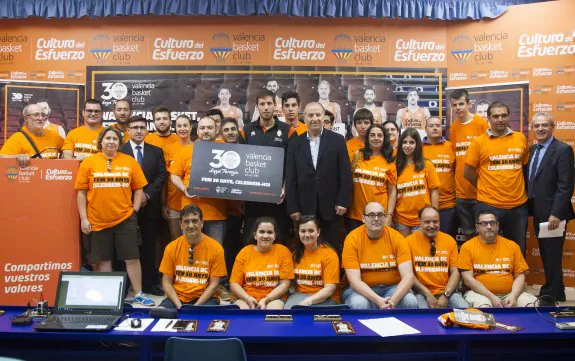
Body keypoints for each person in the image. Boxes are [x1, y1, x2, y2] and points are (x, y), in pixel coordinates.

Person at [74, 126, 154, 306]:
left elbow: (139, 188)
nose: (111, 142)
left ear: (120, 142)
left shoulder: (130, 161)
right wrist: (84, 218)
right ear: (101, 141)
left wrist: (134, 209)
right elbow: (81, 193)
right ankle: (107, 296)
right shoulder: (89, 162)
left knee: (132, 257)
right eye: (108, 138)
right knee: (104, 259)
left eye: (115, 139)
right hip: (97, 220)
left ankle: (139, 293)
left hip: (125, 219)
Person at [286, 102, 353, 252]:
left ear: (324, 117)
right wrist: (293, 207)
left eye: (318, 114)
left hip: (332, 206)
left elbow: (345, 173)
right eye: (310, 115)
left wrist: (343, 201)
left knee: (332, 247)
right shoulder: (295, 142)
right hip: (304, 206)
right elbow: (291, 177)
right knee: (305, 248)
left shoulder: (338, 140)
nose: (315, 118)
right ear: (304, 118)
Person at [464, 102, 529, 253]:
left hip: (518, 206)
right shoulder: (478, 142)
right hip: (488, 205)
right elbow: (467, 172)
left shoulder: (520, 138)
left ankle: (517, 278)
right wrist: (484, 185)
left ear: (509, 117)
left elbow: (524, 167)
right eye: (496, 116)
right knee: (485, 249)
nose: (500, 119)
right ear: (488, 118)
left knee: (518, 250)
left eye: (504, 115)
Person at [528, 112, 575, 305]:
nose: (540, 129)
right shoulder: (532, 150)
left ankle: (551, 293)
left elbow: (566, 185)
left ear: (552, 127)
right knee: (546, 251)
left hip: (553, 214)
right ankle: (558, 290)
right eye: (537, 126)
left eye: (544, 125)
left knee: (552, 253)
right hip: (537, 210)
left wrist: (556, 212)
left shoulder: (563, 150)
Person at [240, 90, 295, 243]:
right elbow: (240, 166)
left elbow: (292, 165)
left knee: (280, 241)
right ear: (257, 107)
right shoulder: (245, 131)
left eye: (269, 103)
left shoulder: (288, 131)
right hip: (252, 201)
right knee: (251, 241)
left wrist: (285, 187)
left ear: (275, 106)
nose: (266, 107)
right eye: (262, 104)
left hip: (279, 200)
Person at [120, 115, 167, 296]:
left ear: (147, 130)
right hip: (125, 207)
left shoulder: (156, 151)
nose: (139, 131)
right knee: (125, 247)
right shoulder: (120, 151)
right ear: (128, 130)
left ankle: (148, 284)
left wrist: (147, 195)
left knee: (148, 246)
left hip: (150, 207)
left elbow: (161, 176)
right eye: (135, 127)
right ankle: (124, 286)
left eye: (142, 127)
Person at [342, 202, 417, 309]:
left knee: (409, 301)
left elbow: (408, 277)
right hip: (363, 289)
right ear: (363, 218)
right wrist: (379, 301)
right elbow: (354, 281)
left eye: (380, 215)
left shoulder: (397, 237)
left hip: (392, 288)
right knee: (359, 304)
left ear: (385, 218)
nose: (376, 218)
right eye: (371, 215)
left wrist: (393, 301)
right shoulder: (352, 238)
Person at [458, 211, 537, 308]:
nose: (489, 226)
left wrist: (514, 296)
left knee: (531, 305)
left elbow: (520, 276)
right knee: (484, 306)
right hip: (480, 294)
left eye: (492, 223)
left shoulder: (512, 246)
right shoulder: (467, 247)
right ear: (477, 227)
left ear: (498, 226)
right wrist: (491, 297)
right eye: (484, 223)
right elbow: (468, 279)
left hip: (510, 293)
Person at [170, 116, 227, 244]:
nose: (206, 131)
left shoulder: (226, 150)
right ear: (197, 131)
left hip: (216, 214)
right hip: (191, 213)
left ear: (217, 130)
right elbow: (174, 175)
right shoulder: (186, 151)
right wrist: (184, 189)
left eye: (209, 128)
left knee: (215, 254)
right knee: (190, 254)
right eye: (202, 128)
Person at [159, 204, 227, 308]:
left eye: (195, 221)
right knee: (160, 315)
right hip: (177, 298)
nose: (190, 226)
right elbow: (166, 282)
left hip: (204, 299)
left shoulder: (216, 248)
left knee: (208, 320)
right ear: (180, 224)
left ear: (202, 223)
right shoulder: (171, 247)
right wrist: (179, 306)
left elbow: (214, 284)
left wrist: (195, 307)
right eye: (186, 221)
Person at [406, 206, 469, 308]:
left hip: (447, 292)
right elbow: (409, 274)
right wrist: (427, 294)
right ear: (419, 222)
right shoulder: (408, 242)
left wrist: (445, 295)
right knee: (423, 314)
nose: (432, 225)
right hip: (421, 293)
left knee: (464, 308)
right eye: (427, 222)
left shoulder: (449, 240)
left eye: (435, 222)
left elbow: (455, 272)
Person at [449, 89, 489, 238]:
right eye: (454, 105)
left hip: (481, 191)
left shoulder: (481, 123)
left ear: (468, 104)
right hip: (461, 193)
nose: (458, 107)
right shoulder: (453, 127)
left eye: (461, 103)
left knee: (485, 234)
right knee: (468, 235)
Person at [230, 217, 294, 309]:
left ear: (275, 236)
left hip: (273, 297)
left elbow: (285, 284)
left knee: (272, 313)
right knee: (244, 315)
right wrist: (247, 298)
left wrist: (266, 299)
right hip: (246, 296)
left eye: (270, 232)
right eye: (262, 232)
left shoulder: (283, 251)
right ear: (255, 235)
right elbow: (234, 284)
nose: (265, 236)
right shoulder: (244, 252)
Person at [346, 124, 396, 232]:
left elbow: (392, 191)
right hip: (355, 215)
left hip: (378, 215)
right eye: (372, 135)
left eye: (379, 135)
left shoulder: (390, 161)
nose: (376, 138)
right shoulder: (357, 155)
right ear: (367, 138)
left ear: (384, 138)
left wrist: (389, 215)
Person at [284, 216, 339, 309]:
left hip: (325, 297)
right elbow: (285, 282)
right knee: (289, 311)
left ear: (318, 232)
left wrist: (307, 302)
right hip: (300, 295)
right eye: (303, 231)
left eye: (311, 231)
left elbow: (330, 289)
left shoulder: (330, 255)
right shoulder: (294, 254)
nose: (307, 234)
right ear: (298, 233)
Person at [394, 128, 440, 237]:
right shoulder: (395, 166)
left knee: (421, 251)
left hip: (423, 220)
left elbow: (434, 192)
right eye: (404, 142)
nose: (407, 145)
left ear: (417, 144)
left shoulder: (427, 165)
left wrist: (434, 216)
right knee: (404, 251)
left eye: (411, 142)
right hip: (401, 219)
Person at [0, 102, 64, 167]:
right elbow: (2, 158)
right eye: (36, 115)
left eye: (43, 115)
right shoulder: (17, 138)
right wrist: (17, 157)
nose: (40, 118)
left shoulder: (54, 135)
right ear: (26, 119)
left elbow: (68, 152)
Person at [422, 117, 457, 236]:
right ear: (425, 129)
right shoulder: (419, 149)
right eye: (431, 126)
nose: (435, 128)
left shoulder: (450, 146)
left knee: (446, 240)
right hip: (424, 205)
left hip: (447, 204)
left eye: (438, 125)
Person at [163, 115, 193, 240]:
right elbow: (164, 179)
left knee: (192, 241)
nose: (182, 129)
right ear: (175, 128)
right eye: (179, 126)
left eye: (185, 125)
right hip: (173, 203)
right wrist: (163, 204)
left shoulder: (199, 148)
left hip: (193, 202)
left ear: (191, 127)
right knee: (176, 241)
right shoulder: (168, 149)